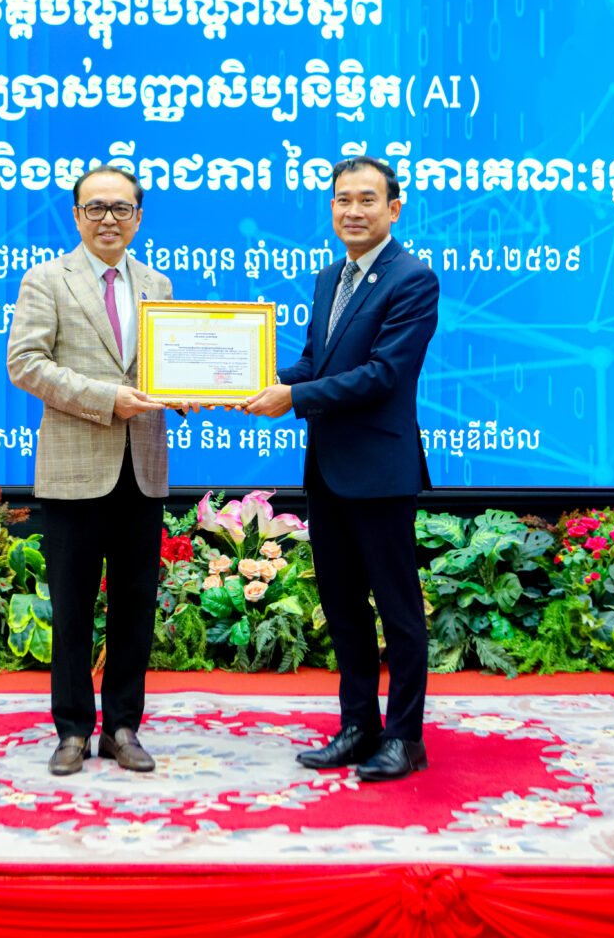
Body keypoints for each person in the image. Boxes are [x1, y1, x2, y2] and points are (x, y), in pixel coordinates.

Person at [245, 156, 439, 782]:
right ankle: (358, 726)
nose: (353, 211)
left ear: (393, 208)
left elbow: (384, 374)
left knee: (398, 612)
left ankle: (405, 737)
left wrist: (294, 397)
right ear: (331, 207)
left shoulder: (412, 279)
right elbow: (315, 362)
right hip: (327, 471)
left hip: (380, 472)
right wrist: (245, 380)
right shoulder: (331, 277)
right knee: (343, 606)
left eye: (366, 199)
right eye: (342, 200)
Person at [7, 165, 179, 776]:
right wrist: (107, 399)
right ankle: (74, 729)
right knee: (73, 607)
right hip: (75, 468)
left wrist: (189, 388)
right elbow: (25, 363)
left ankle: (123, 727)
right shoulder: (46, 279)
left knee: (136, 605)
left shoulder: (157, 284)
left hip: (142, 468)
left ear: (139, 216)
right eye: (96, 208)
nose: (109, 219)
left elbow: (167, 365)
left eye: (121, 208)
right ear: (77, 215)